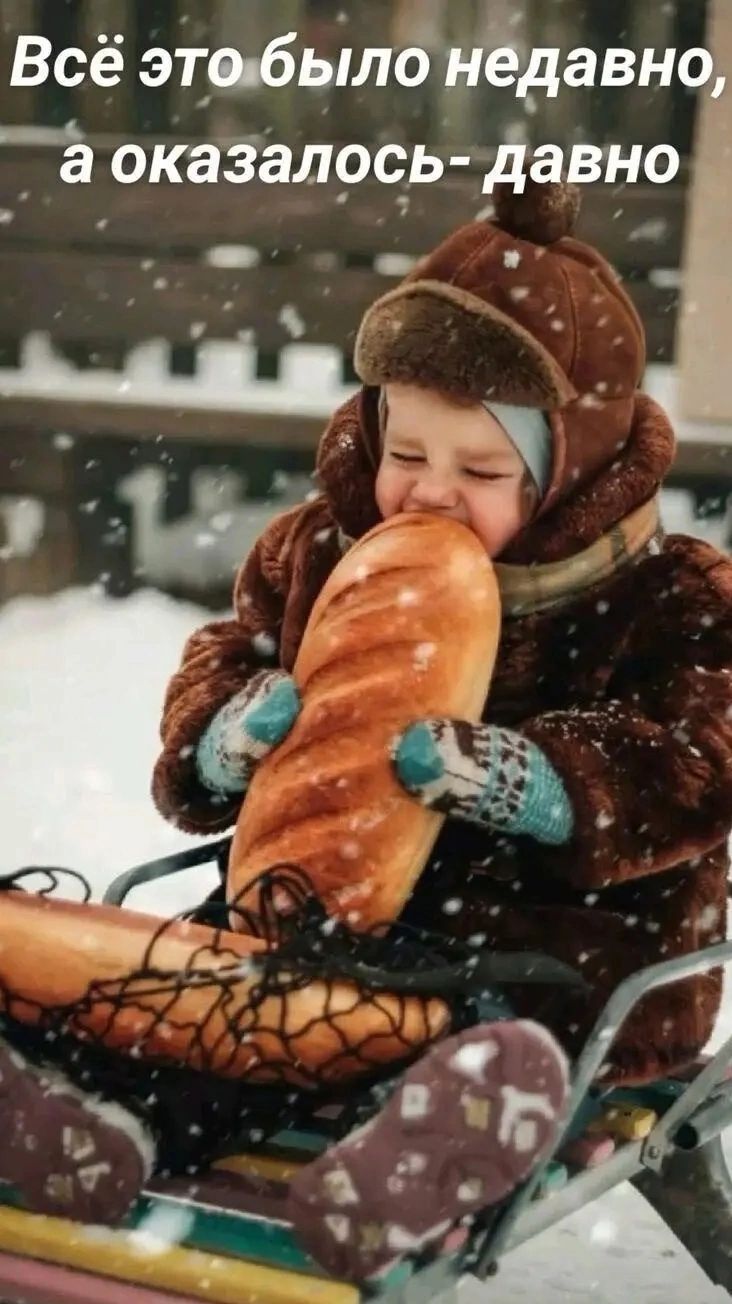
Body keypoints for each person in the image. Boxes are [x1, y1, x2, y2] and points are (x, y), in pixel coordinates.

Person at [2, 178, 732, 1284]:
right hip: (315, 922)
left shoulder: (666, 595)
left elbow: (703, 759)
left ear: (570, 468)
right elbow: (228, 652)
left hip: (560, 945)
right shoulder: (325, 551)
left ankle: (420, 1149)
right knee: (208, 1007)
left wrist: (541, 783)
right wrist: (225, 734)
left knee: (480, 1027)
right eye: (408, 453)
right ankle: (94, 1114)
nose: (430, 494)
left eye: (483, 471)